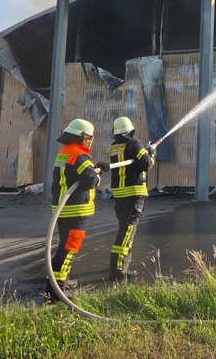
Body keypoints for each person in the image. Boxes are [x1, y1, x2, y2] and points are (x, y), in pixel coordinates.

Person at [45, 118, 107, 303]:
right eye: (89, 138)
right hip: (76, 211)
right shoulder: (80, 156)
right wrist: (99, 173)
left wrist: (95, 169)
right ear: (82, 137)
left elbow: (76, 175)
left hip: (64, 210)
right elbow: (91, 180)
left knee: (63, 247)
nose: (90, 141)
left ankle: (59, 282)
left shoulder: (64, 153)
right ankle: (56, 292)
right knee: (68, 249)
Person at [105, 116, 155, 281]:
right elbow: (146, 165)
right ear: (130, 130)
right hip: (133, 194)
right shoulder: (134, 143)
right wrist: (151, 153)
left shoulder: (112, 147)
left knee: (124, 230)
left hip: (119, 194)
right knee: (126, 233)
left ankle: (119, 265)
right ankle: (118, 271)